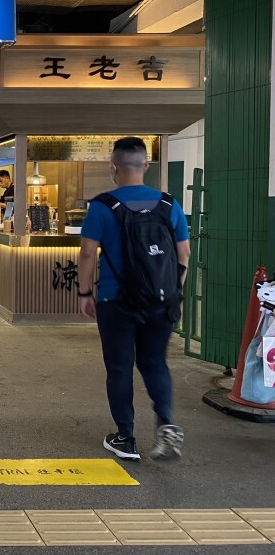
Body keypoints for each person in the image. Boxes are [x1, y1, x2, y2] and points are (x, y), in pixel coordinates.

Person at [77, 137, 190, 462]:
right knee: (155, 362)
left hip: (116, 301)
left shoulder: (102, 206)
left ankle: (126, 438)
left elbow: (87, 252)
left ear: (113, 168)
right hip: (162, 301)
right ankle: (166, 424)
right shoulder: (170, 205)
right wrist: (172, 290)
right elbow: (184, 253)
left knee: (119, 367)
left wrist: (86, 292)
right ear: (146, 165)